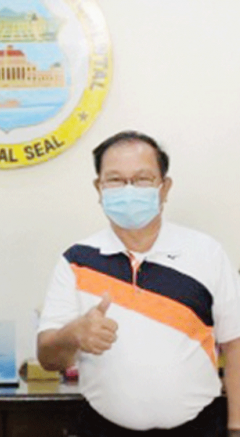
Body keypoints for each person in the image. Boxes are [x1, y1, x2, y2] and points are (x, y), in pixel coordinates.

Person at [37, 130, 240, 436]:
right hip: (102, 428)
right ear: (99, 187)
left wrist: (237, 426)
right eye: (116, 180)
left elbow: (235, 344)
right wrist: (74, 333)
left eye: (143, 179)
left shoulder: (205, 252)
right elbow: (48, 357)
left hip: (199, 427)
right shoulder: (76, 260)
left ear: (164, 187)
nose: (129, 189)